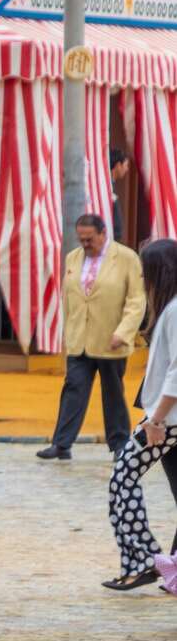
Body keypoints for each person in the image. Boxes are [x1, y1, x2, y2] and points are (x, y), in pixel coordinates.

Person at [102, 238, 177, 590]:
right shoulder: (170, 309)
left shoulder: (175, 310)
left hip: (168, 419)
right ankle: (164, 568)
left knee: (122, 477)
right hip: (166, 416)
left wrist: (156, 420)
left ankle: (144, 559)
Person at [38, 213, 144, 461]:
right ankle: (61, 444)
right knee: (73, 389)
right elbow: (69, 298)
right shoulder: (72, 257)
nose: (85, 244)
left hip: (111, 340)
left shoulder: (127, 258)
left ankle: (119, 445)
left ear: (103, 233)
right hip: (80, 340)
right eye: (81, 239)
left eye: (89, 239)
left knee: (113, 393)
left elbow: (137, 300)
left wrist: (124, 332)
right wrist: (67, 331)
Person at [109, 147, 130, 239]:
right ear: (118, 165)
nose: (127, 169)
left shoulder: (111, 184)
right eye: (126, 165)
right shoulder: (106, 185)